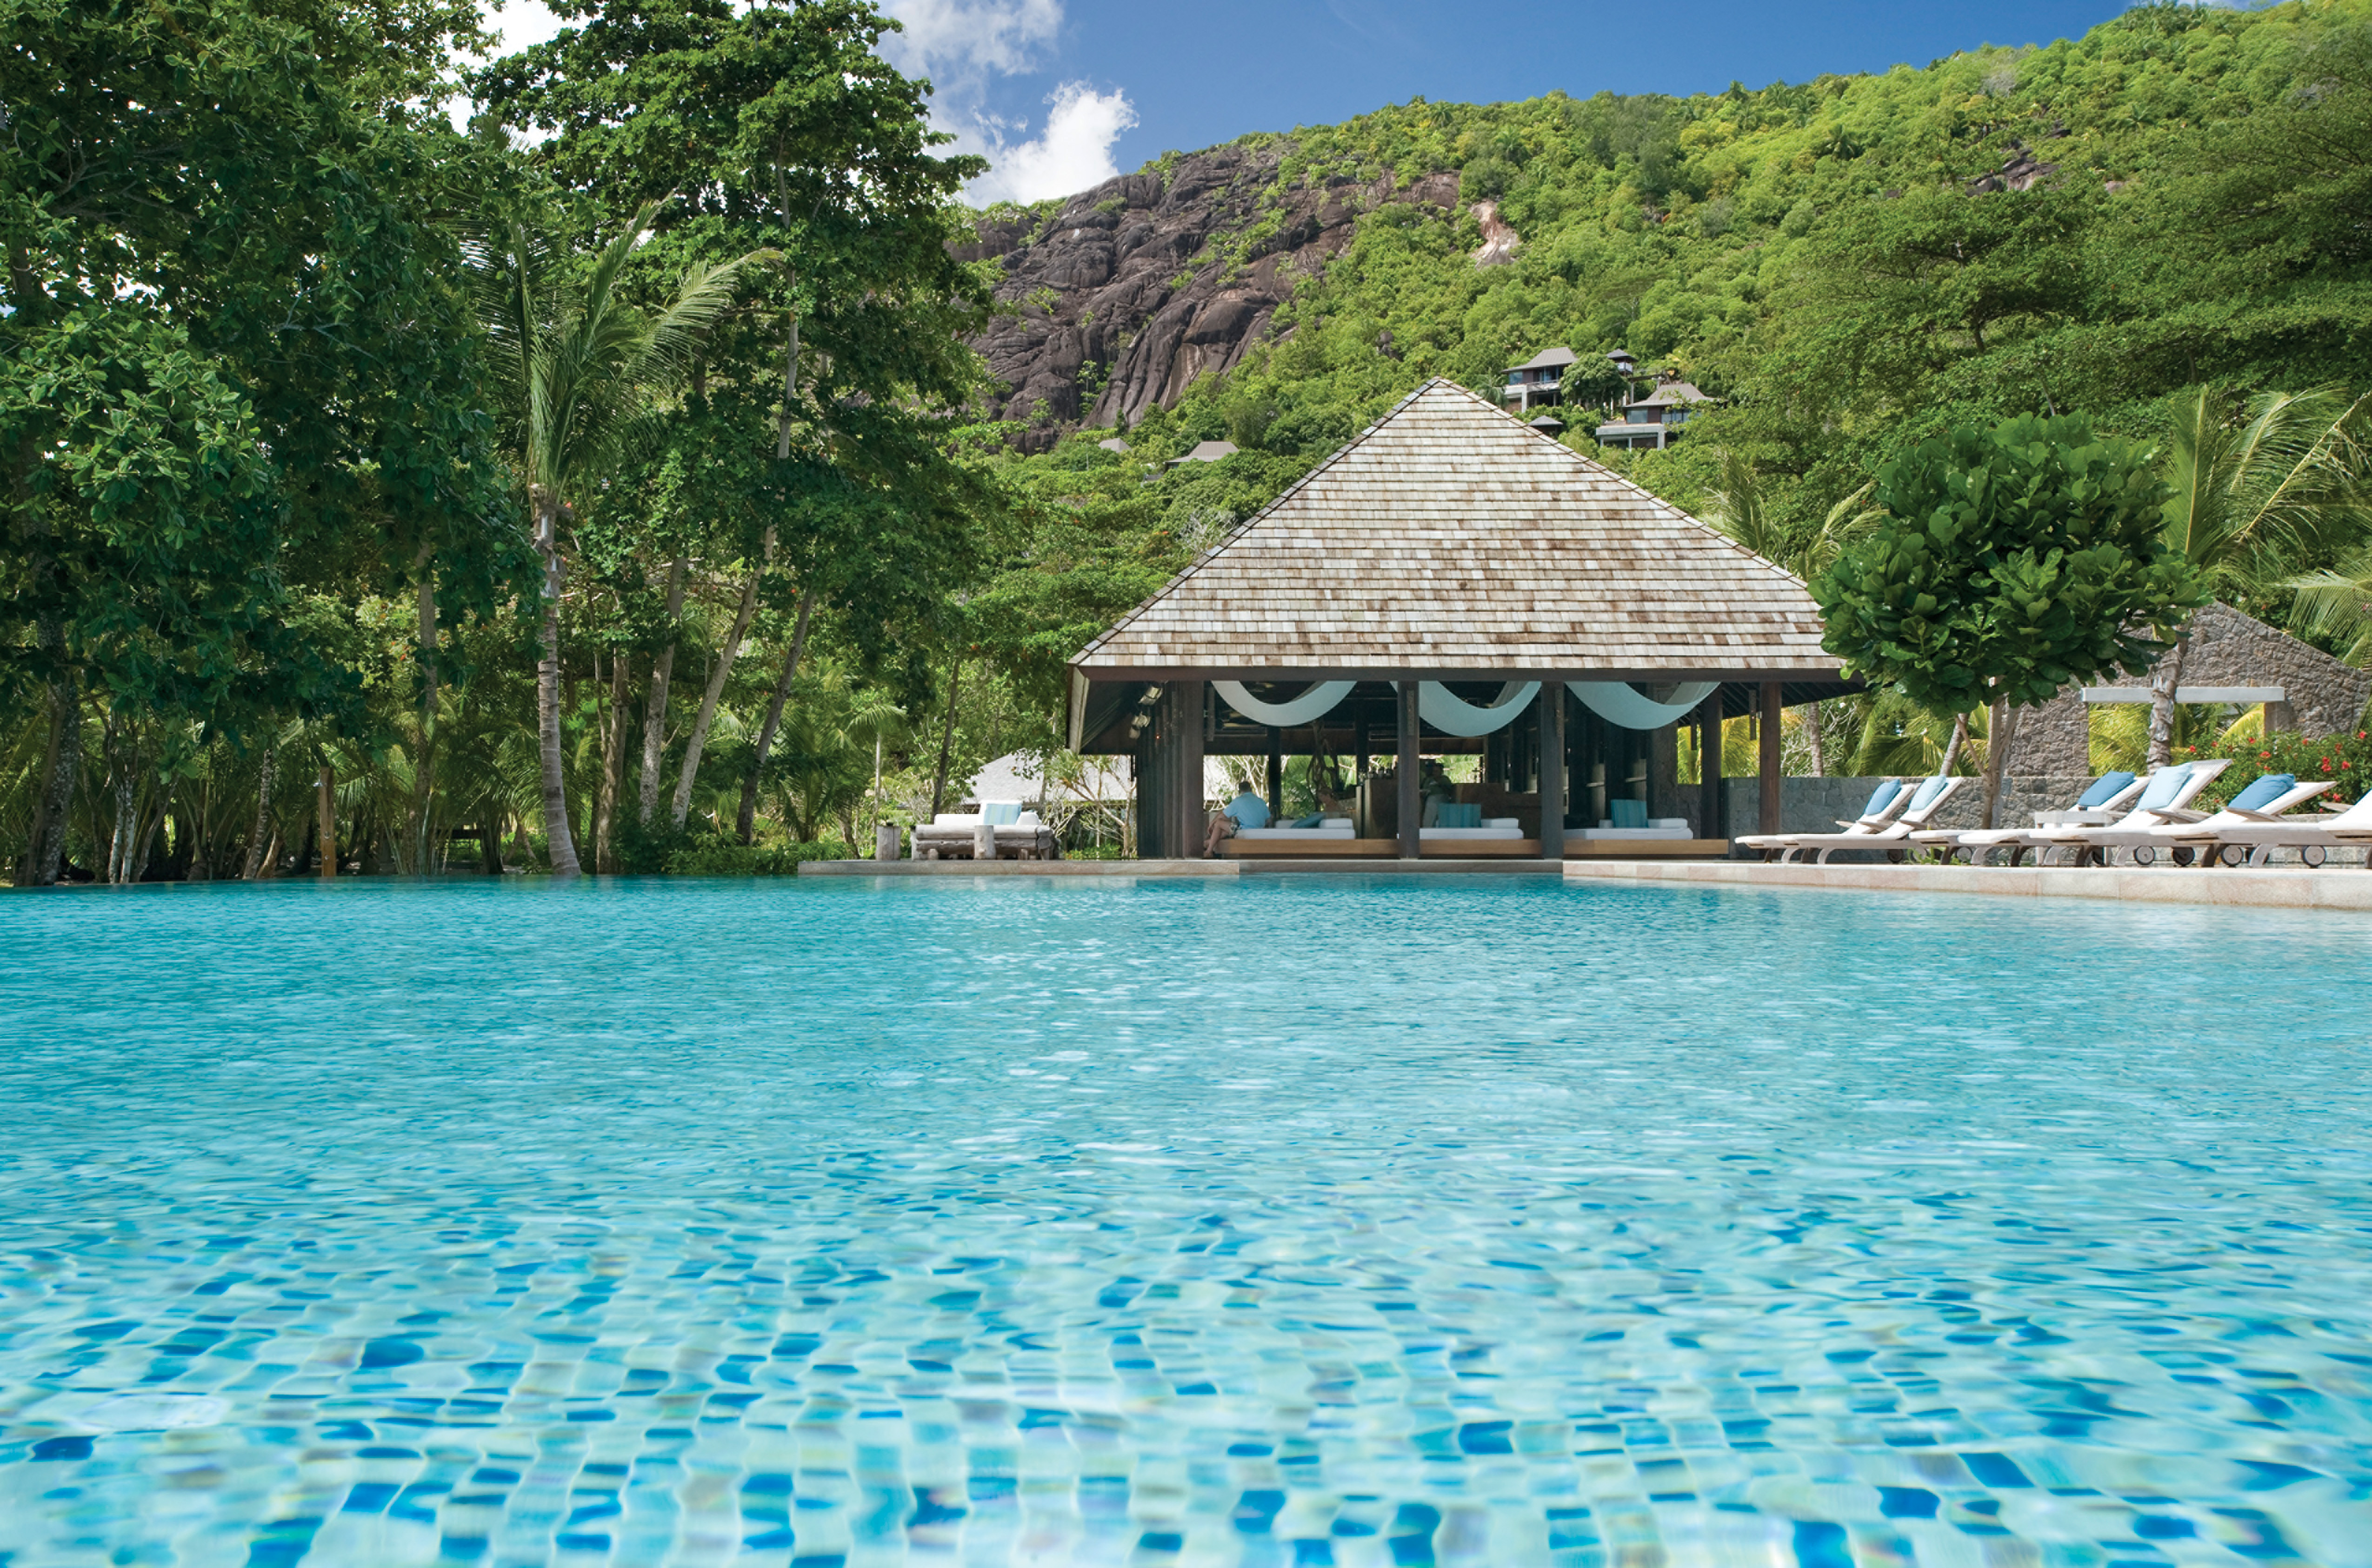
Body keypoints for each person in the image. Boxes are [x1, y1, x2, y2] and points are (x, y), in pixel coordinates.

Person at [1205, 787, 1270, 855]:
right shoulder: (1261, 801)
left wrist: (1211, 824)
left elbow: (1222, 815)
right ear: (1251, 790)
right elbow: (1268, 819)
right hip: (1260, 832)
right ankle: (1208, 843)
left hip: (1245, 832)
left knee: (1219, 823)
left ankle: (1209, 851)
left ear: (1239, 792)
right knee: (1226, 832)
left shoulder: (1238, 801)